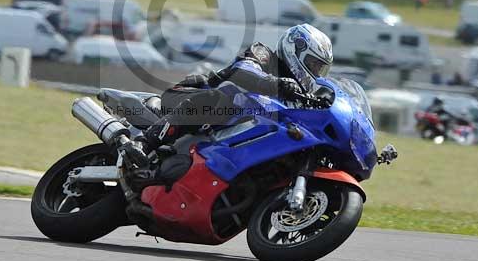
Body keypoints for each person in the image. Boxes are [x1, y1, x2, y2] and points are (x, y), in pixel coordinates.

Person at [123, 24, 334, 167]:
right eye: (313, 65)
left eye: (320, 69)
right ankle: (144, 142)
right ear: (295, 50)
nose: (315, 73)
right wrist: (277, 83)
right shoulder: (264, 54)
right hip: (191, 95)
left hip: (225, 132)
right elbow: (242, 72)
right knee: (225, 96)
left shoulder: (296, 93)